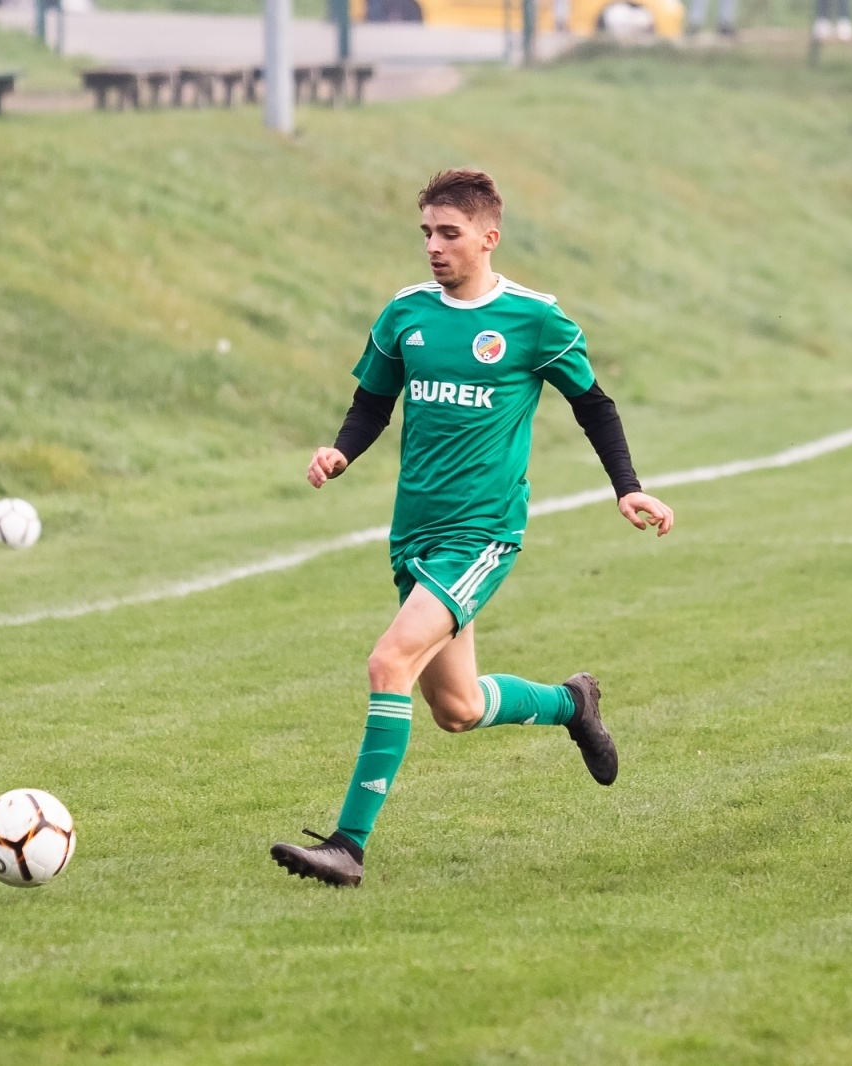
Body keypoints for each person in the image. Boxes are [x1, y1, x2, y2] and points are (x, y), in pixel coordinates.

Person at [270, 169, 676, 888]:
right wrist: (341, 450)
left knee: (388, 663)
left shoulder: (534, 319)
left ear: (488, 238)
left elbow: (596, 405)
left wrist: (629, 488)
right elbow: (372, 403)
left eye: (448, 233)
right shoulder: (406, 314)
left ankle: (348, 846)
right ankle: (570, 703)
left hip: (481, 535)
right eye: (426, 231)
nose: (433, 245)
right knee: (457, 708)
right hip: (413, 533)